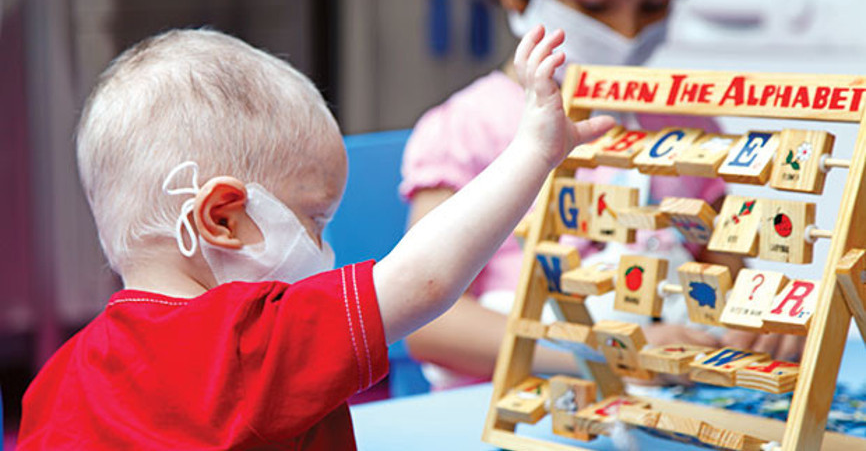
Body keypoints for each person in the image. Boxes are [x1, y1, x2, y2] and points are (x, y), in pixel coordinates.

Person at [16, 27, 614, 449]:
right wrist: (534, 152)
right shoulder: (251, 339)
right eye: (314, 220)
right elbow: (423, 280)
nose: (325, 249)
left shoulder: (58, 378)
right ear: (221, 218)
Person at [401, 0, 802, 390]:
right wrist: (601, 351)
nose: (626, 32)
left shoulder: (687, 127)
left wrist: (762, 322)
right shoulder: (468, 128)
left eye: (654, 4)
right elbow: (427, 322)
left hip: (664, 404)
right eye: (594, 5)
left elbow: (733, 286)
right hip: (515, 401)